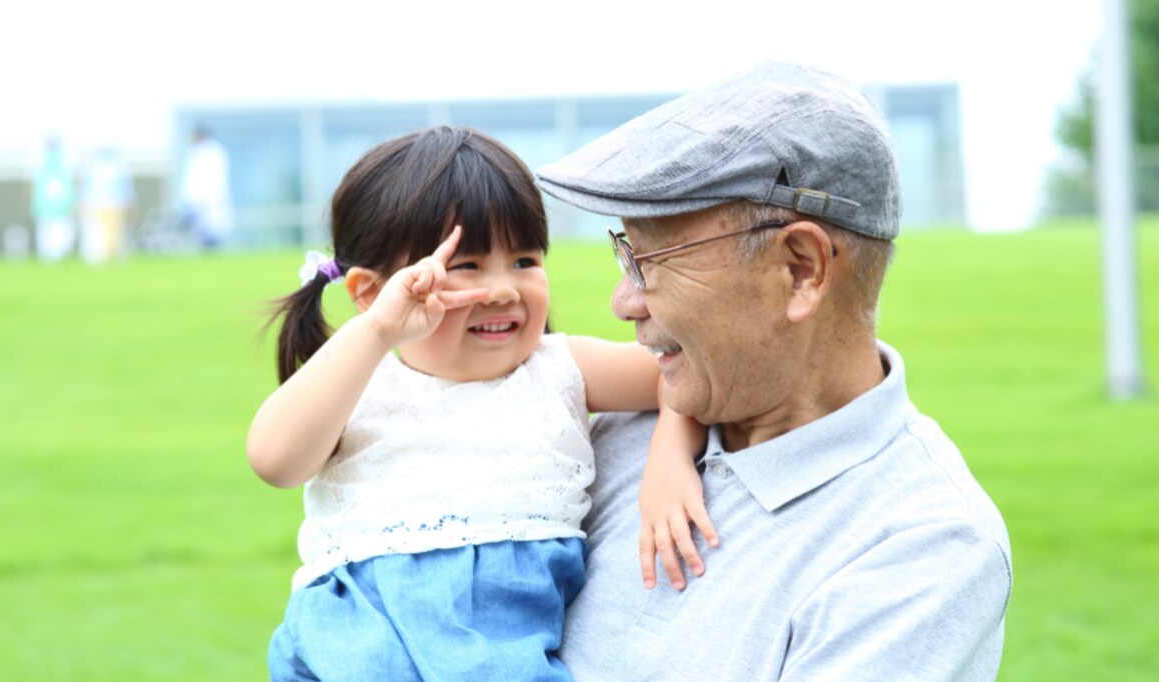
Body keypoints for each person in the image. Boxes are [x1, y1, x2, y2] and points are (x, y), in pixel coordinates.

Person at [535, 61, 1013, 680]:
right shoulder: (617, 435)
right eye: (623, 251)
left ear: (800, 270)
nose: (622, 302)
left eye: (650, 259)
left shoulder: (923, 547)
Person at [247, 126, 713, 681]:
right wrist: (376, 330)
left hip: (499, 654)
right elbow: (274, 460)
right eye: (465, 266)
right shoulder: (358, 382)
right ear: (373, 292)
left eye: (523, 261)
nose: (502, 289)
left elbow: (683, 370)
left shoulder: (559, 368)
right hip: (352, 648)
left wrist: (668, 457)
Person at [78, 145, 136, 264]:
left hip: (113, 205)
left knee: (114, 235)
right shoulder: (97, 168)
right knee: (100, 235)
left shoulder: (114, 168)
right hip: (101, 206)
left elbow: (126, 190)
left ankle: (112, 258)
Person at [179, 126, 233, 248]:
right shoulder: (193, 152)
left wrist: (207, 200)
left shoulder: (214, 152)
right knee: (199, 235)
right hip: (196, 204)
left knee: (211, 233)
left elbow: (215, 180)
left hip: (210, 202)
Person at [32, 135, 77, 263]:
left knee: (56, 235)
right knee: (52, 234)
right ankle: (52, 258)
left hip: (57, 205)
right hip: (49, 205)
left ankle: (54, 258)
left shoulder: (62, 160)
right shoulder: (41, 160)